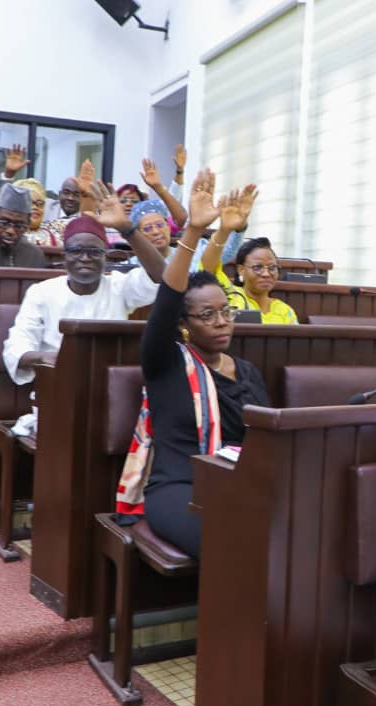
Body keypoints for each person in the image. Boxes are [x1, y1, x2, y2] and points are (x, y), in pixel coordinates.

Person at [121, 169, 270, 559]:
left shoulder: (247, 372)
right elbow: (168, 297)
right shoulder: (167, 363)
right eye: (207, 315)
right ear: (183, 326)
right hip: (179, 489)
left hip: (239, 481)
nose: (221, 321)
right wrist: (194, 232)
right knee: (233, 536)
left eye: (226, 312)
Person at [2, 180, 166, 386]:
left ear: (105, 257)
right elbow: (16, 347)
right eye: (76, 251)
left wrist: (127, 228)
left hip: (112, 389)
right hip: (58, 387)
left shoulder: (119, 286)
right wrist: (47, 357)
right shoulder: (41, 292)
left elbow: (160, 276)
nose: (85, 258)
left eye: (94, 252)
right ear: (65, 256)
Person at [198, 187, 297, 325]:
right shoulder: (230, 295)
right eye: (258, 267)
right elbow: (208, 267)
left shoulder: (285, 310)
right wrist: (224, 230)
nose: (266, 274)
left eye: (272, 267)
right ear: (241, 270)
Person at [13, 178, 59, 248]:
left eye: (40, 203)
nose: (35, 207)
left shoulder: (54, 233)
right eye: (30, 203)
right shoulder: (8, 234)